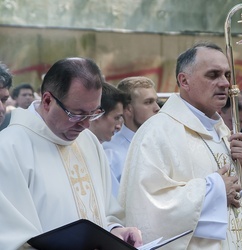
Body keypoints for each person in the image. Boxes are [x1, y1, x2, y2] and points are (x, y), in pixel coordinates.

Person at [119, 42, 242, 249]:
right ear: (184, 81)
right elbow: (147, 209)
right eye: (213, 75)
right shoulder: (156, 132)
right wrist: (213, 191)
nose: (225, 83)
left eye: (227, 75)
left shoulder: (224, 132)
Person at [0, 57, 142, 249]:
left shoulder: (89, 141)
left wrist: (115, 230)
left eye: (94, 113)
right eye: (77, 113)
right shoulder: (9, 148)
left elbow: (106, 211)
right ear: (48, 100)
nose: (85, 124)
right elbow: (11, 239)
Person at [102, 76, 160, 197]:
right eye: (148, 102)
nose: (157, 108)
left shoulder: (162, 145)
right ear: (128, 109)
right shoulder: (110, 154)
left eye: (156, 101)